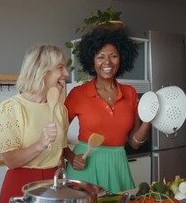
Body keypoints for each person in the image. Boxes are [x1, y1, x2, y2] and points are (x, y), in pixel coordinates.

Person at [63, 27, 151, 193]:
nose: (107, 62)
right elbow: (58, 133)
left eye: (113, 56)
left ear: (122, 58)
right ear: (92, 60)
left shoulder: (130, 93)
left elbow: (134, 142)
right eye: (100, 57)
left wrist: (148, 120)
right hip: (85, 164)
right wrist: (71, 157)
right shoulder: (78, 94)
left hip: (118, 164)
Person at [0, 45, 69, 203]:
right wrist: (40, 144)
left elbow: (61, 153)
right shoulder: (11, 108)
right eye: (60, 67)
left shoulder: (60, 109)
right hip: (21, 186)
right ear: (42, 70)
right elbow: (10, 161)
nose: (66, 74)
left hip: (55, 184)